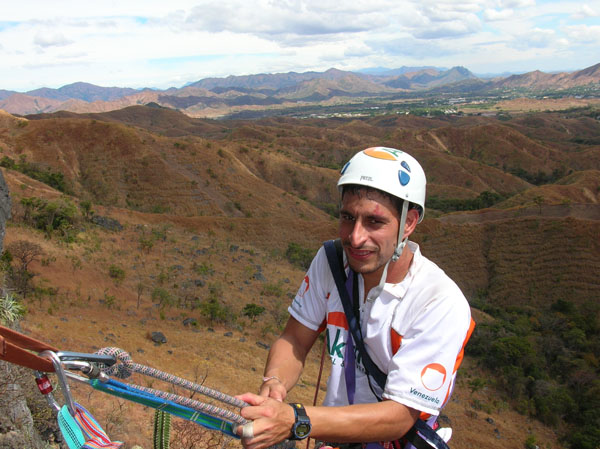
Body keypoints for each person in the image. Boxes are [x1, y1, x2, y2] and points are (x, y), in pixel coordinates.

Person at [236, 147, 474, 449]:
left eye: (374, 222)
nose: (355, 237)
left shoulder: (438, 301)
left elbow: (400, 415)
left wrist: (296, 420)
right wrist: (275, 382)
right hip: (334, 436)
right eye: (348, 217)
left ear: (409, 223)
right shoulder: (332, 261)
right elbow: (295, 339)